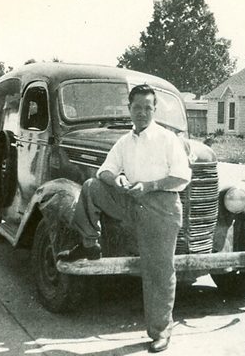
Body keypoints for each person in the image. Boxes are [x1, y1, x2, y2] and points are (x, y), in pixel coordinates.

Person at [57, 84, 191, 353]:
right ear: (129, 109)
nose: (142, 112)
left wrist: (150, 186)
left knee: (158, 272)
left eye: (148, 108)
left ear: (155, 110)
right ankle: (90, 243)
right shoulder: (125, 141)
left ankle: (161, 331)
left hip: (161, 206)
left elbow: (183, 177)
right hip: (130, 201)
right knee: (92, 187)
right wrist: (116, 179)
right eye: (137, 107)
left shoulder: (167, 139)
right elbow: (104, 171)